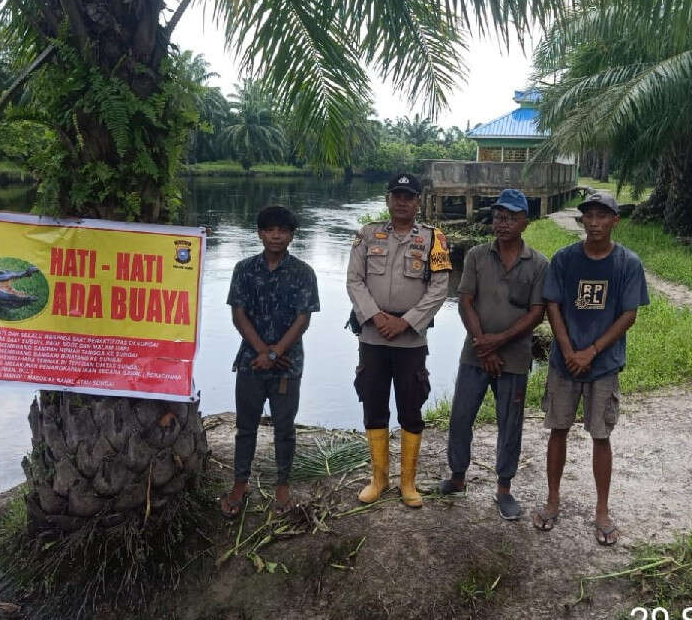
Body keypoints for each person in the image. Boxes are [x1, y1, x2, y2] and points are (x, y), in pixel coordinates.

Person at [533, 190, 649, 545]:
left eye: (603, 216)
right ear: (582, 220)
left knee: (601, 435)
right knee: (558, 429)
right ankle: (553, 501)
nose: (595, 223)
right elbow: (552, 304)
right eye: (589, 216)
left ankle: (602, 510)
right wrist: (568, 349)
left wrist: (592, 351)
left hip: (603, 365)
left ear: (615, 220)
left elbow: (628, 315)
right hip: (564, 363)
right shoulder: (565, 259)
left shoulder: (628, 264)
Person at [439, 188, 547, 520]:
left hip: (514, 358)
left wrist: (496, 342)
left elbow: (536, 312)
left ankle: (504, 488)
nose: (503, 224)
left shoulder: (539, 263)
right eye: (499, 217)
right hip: (475, 353)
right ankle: (458, 477)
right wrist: (482, 341)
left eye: (512, 218)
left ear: (525, 223)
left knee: (510, 423)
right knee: (460, 417)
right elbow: (465, 301)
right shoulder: (475, 256)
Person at [346, 172, 451, 507]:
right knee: (373, 405)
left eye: (409, 196)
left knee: (411, 406)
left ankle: (408, 483)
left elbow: (439, 289)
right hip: (373, 337)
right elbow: (354, 280)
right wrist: (376, 317)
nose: (402, 202)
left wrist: (406, 322)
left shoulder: (435, 239)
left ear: (418, 202)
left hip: (411, 341)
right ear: (388, 199)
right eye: (397, 195)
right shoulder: (366, 234)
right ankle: (378, 479)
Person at [221, 205, 320, 518]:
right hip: (251, 362)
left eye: (283, 231)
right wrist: (262, 352)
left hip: (287, 366)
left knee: (284, 428)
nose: (276, 236)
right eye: (269, 230)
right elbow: (238, 314)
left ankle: (282, 485)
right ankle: (240, 483)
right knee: (245, 427)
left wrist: (276, 353)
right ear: (260, 233)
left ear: (291, 235)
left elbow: (303, 320)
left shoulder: (304, 272)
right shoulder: (244, 269)